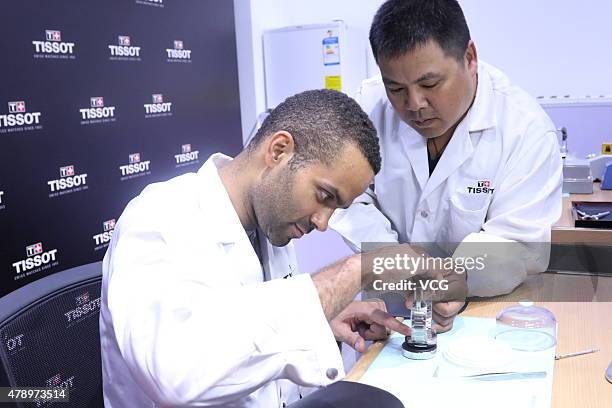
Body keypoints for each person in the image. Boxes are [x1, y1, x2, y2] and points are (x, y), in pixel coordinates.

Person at [99, 89, 430, 408]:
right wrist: (353, 271)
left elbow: (247, 325)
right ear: (279, 150)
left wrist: (321, 318)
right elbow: (173, 371)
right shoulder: (159, 218)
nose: (323, 221)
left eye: (337, 207)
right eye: (325, 196)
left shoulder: (270, 226)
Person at [330, 0, 563, 330]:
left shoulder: (526, 131)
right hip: (387, 310)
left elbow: (520, 242)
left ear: (469, 58)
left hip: (480, 311)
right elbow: (348, 200)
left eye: (429, 84)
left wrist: (461, 275)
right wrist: (391, 254)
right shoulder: (368, 109)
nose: (414, 105)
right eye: (396, 88)